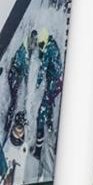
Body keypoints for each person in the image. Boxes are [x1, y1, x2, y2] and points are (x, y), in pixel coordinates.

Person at [33, 29, 63, 160]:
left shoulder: (48, 50)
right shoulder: (52, 43)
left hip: (54, 84)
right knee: (49, 102)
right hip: (58, 82)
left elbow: (42, 69)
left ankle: (38, 150)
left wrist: (37, 84)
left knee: (41, 113)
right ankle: (50, 123)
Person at [5, 29, 38, 143]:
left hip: (16, 75)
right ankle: (30, 43)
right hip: (20, 76)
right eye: (20, 132)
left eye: (17, 132)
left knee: (23, 63)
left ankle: (28, 44)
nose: (19, 131)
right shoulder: (25, 118)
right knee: (26, 65)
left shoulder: (13, 118)